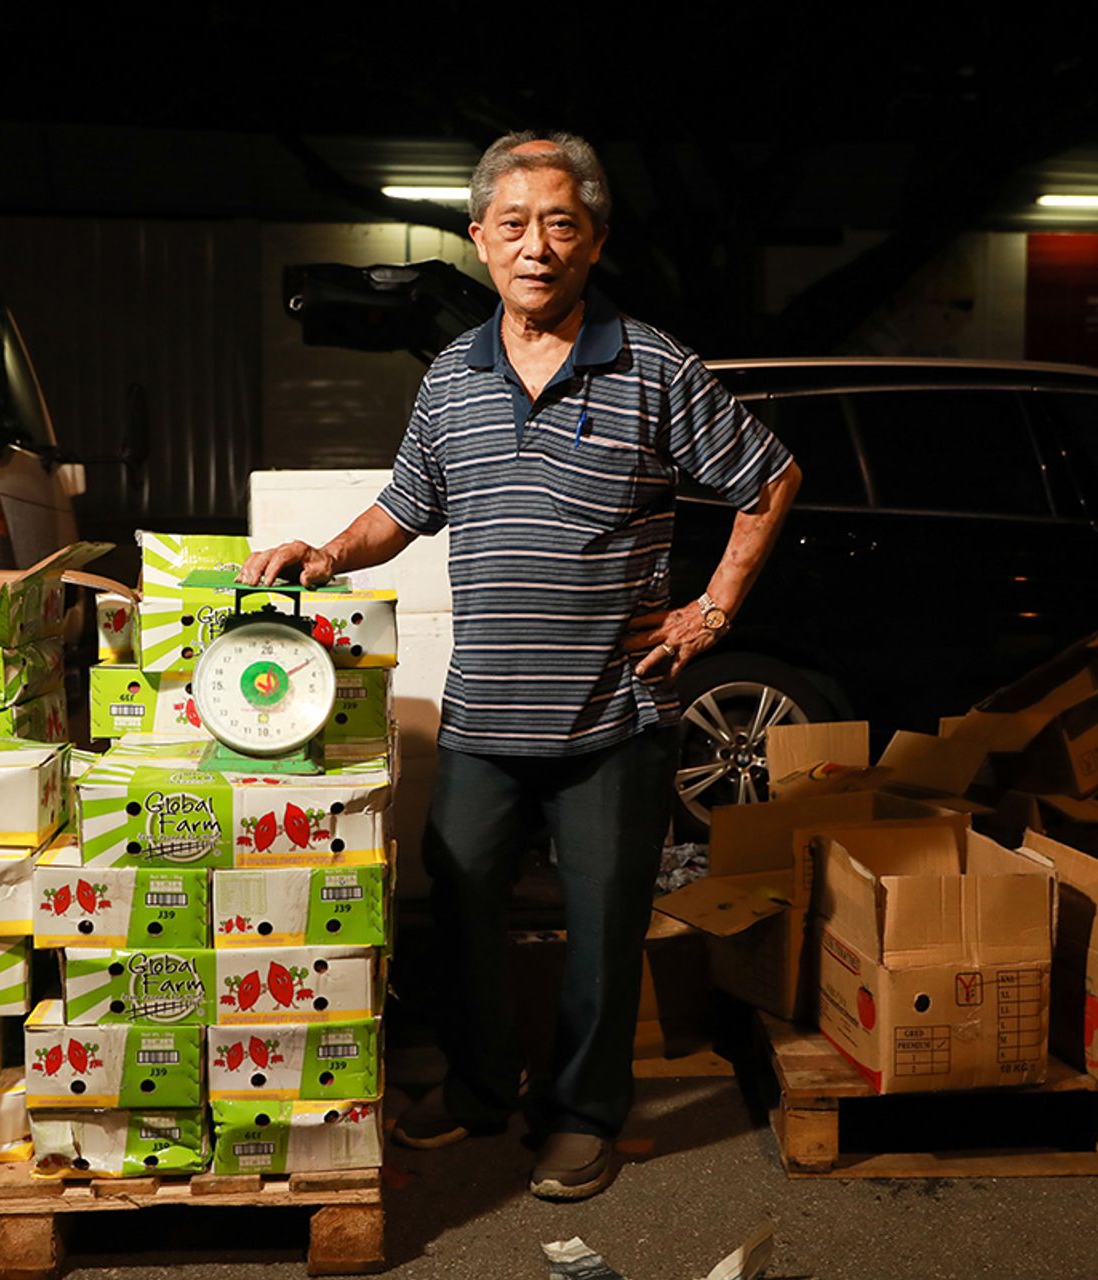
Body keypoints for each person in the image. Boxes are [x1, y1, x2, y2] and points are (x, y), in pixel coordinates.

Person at [240, 130, 801, 1201]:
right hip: (485, 715)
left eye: (560, 225)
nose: (535, 246)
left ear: (593, 242)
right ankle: (480, 1084)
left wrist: (713, 607)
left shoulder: (654, 366)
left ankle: (584, 1115)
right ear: (479, 239)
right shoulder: (453, 375)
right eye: (514, 225)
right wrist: (327, 552)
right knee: (459, 909)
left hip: (614, 717)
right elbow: (405, 506)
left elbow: (769, 478)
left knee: (603, 928)